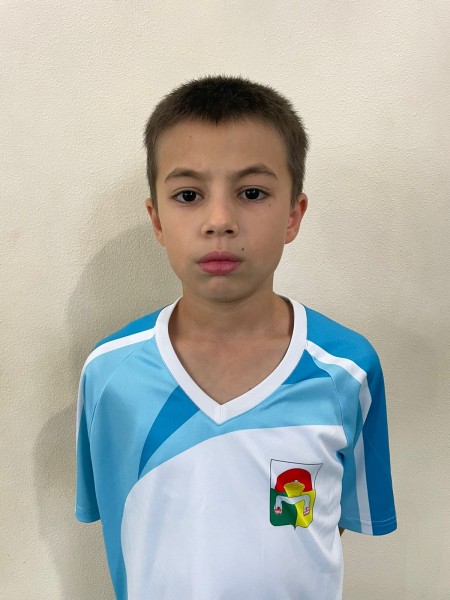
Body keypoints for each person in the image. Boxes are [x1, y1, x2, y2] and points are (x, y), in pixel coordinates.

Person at [75, 75, 397, 600]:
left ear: (293, 214)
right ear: (156, 220)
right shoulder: (109, 373)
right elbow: (120, 515)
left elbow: (324, 524)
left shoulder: (348, 368)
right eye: (188, 195)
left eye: (252, 193)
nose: (220, 221)